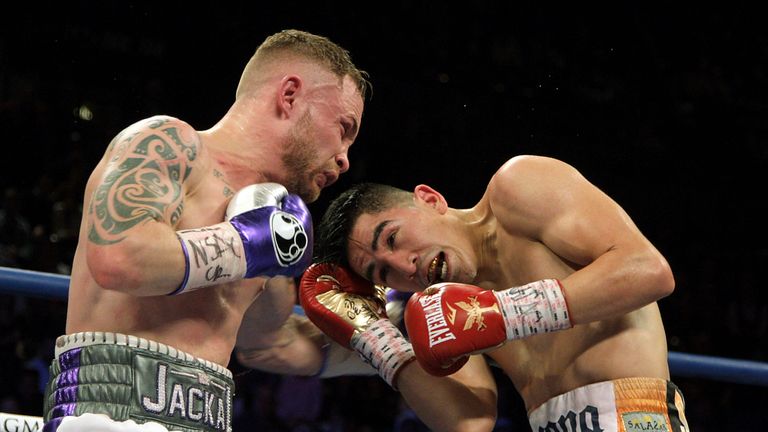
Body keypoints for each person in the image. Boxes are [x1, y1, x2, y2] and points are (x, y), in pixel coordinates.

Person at [42, 29, 368, 432]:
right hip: (110, 410)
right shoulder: (171, 143)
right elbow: (119, 257)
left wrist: (384, 340)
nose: (344, 159)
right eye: (344, 127)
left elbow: (264, 341)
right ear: (289, 96)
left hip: (208, 415)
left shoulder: (272, 217)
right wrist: (245, 246)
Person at [300, 155, 691, 432]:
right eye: (383, 272)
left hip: (635, 416)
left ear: (431, 199)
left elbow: (648, 271)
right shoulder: (447, 308)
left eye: (394, 238)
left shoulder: (518, 188)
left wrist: (501, 313)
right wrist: (379, 340)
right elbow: (467, 422)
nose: (406, 265)